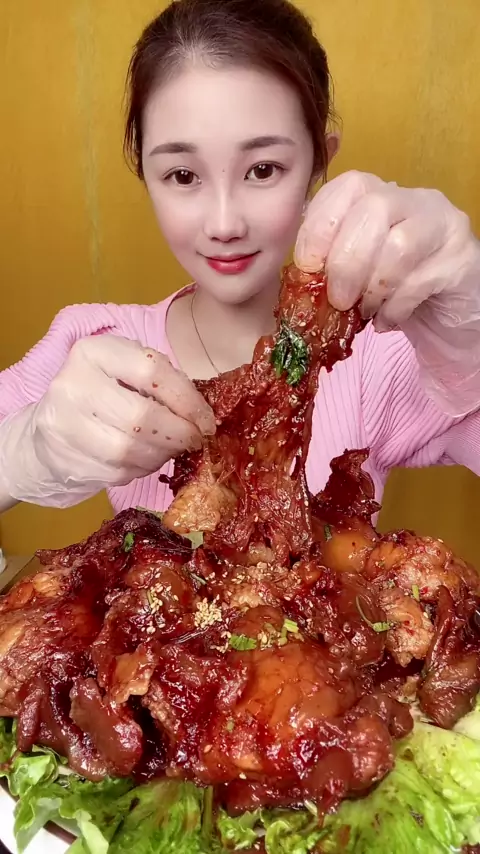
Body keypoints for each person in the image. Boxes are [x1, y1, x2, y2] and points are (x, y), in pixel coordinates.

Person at [0, 0, 479, 518]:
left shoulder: (381, 357)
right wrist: (24, 453)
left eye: (263, 169)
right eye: (183, 176)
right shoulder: (94, 347)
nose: (224, 224)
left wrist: (472, 326)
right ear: (146, 175)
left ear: (319, 163)